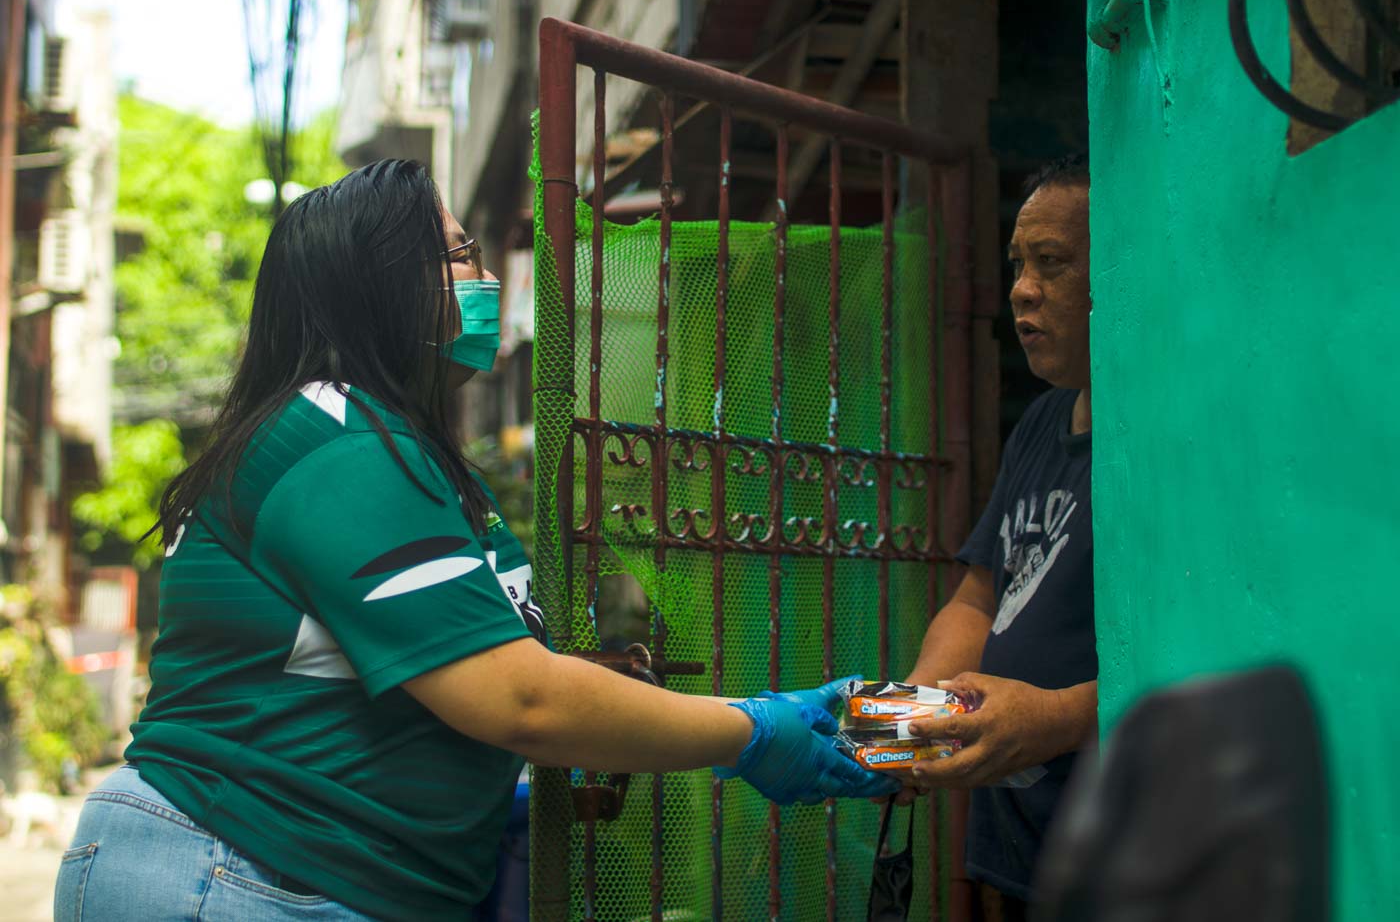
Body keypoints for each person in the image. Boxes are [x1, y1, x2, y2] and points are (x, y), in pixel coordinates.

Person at [53, 159, 896, 921]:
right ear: (379, 283)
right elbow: (519, 697)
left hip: (294, 875)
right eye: (461, 258)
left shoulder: (405, 456)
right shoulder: (338, 440)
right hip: (238, 871)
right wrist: (748, 730)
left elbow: (443, 682)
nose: (489, 281)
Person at [898, 155, 1098, 921]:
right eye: (1020, 263)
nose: (1022, 288)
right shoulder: (1043, 423)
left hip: (1112, 848)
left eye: (1052, 263)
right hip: (1016, 848)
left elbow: (1194, 648)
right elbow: (980, 597)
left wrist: (1057, 719)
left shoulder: (1161, 441)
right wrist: (919, 712)